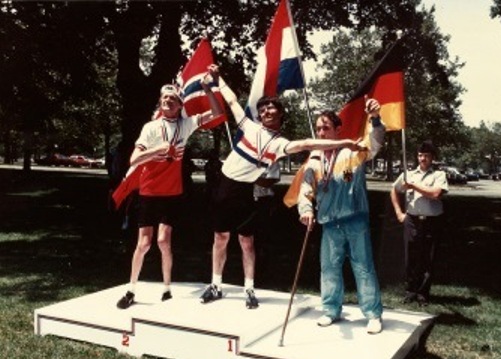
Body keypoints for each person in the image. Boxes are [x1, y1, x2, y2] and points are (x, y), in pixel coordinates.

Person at [200, 67, 367, 309]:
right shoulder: (249, 126)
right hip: (225, 186)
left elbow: (307, 143)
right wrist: (218, 79)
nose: (266, 111)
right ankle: (215, 284)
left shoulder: (280, 143)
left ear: (280, 114)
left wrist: (344, 142)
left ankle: (249, 289)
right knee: (220, 237)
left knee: (247, 242)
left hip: (247, 191)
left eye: (271, 108)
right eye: (263, 109)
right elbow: (231, 99)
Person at [116, 67, 224, 309]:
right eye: (165, 99)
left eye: (173, 99)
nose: (168, 101)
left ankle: (167, 288)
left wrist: (208, 88)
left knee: (164, 241)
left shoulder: (186, 125)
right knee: (144, 243)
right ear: (160, 103)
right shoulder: (150, 128)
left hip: (172, 194)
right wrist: (159, 149)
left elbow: (217, 112)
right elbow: (134, 159)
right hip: (149, 191)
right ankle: (130, 289)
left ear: (179, 104)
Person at [297, 101, 385, 334]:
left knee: (363, 267)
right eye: (318, 129)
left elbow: (375, 144)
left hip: (355, 220)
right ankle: (330, 310)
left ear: (338, 130)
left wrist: (375, 118)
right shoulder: (315, 159)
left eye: (326, 128)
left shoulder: (350, 152)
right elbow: (306, 187)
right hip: (329, 224)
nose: (321, 133)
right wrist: (306, 209)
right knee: (329, 268)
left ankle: (373, 314)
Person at [390, 140, 448, 305]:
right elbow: (394, 190)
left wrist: (414, 186)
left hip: (431, 221)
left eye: (427, 156)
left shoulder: (439, 175)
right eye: (420, 155)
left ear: (432, 158)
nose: (422, 159)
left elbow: (436, 193)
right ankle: (410, 291)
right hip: (412, 221)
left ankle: (423, 293)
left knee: (428, 258)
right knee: (411, 258)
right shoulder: (409, 174)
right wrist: (399, 213)